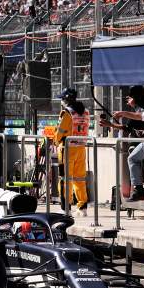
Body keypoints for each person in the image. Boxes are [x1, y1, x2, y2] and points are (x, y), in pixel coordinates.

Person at [51, 88, 90, 216]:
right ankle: (82, 207)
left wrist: (55, 142)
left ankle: (65, 208)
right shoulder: (85, 112)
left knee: (64, 179)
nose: (61, 101)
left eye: (63, 98)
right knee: (79, 178)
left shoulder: (66, 113)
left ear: (67, 99)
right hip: (81, 148)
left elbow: (60, 131)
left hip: (67, 149)